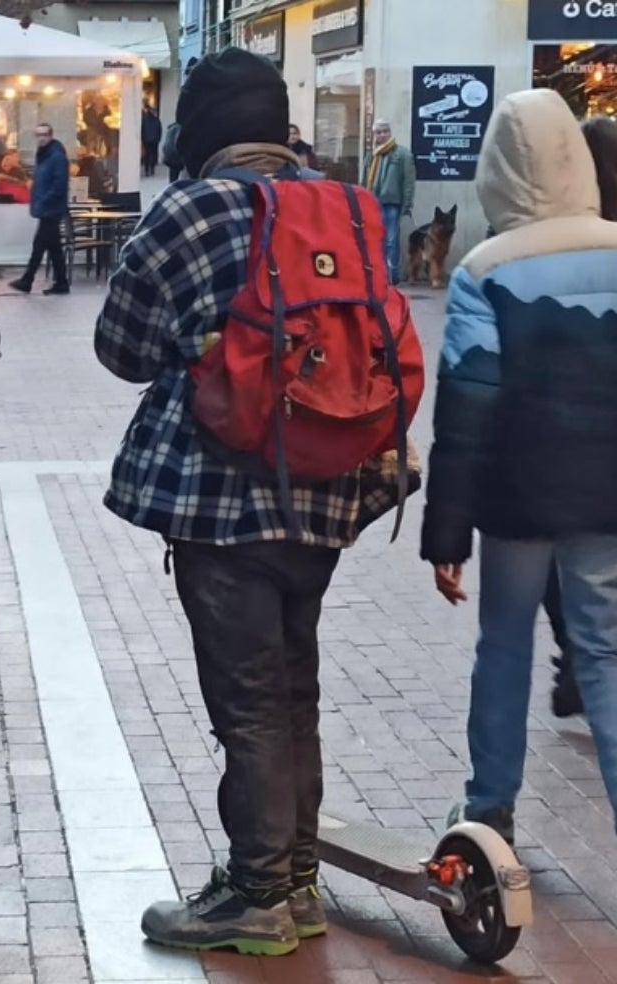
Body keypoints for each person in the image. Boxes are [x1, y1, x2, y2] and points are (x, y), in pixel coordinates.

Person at [95, 49, 409, 956]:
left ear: (204, 129)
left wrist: (198, 343)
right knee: (294, 687)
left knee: (249, 702)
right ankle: (297, 881)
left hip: (222, 496)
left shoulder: (191, 209)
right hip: (334, 477)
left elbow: (120, 345)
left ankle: (259, 894)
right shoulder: (349, 204)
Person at [424, 89, 617, 844]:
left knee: (503, 644)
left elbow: (465, 413)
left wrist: (446, 536)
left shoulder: (485, 268)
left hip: (516, 500)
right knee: (603, 649)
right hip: (607, 494)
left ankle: (489, 806)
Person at [8, 123, 70, 295]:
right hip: (47, 208)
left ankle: (27, 280)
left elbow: (59, 185)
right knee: (54, 247)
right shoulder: (43, 156)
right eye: (39, 134)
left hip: (51, 209)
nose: (41, 138)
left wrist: (43, 201)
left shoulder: (56, 157)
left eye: (45, 134)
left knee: (39, 245)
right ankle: (61, 282)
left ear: (51, 135)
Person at [363, 119, 415, 284]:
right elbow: (364, 179)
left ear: (390, 132)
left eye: (385, 131)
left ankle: (391, 276)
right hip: (373, 202)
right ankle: (379, 274)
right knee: (375, 239)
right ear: (374, 135)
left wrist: (407, 204)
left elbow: (408, 181)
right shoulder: (372, 155)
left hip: (392, 202)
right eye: (378, 132)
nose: (382, 135)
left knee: (391, 240)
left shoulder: (402, 154)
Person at [142, 103, 163, 178]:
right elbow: (160, 130)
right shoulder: (156, 120)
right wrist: (158, 138)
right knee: (152, 155)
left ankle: (148, 170)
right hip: (153, 140)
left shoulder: (145, 119)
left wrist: (143, 138)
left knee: (148, 155)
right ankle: (151, 169)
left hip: (148, 140)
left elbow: (142, 129)